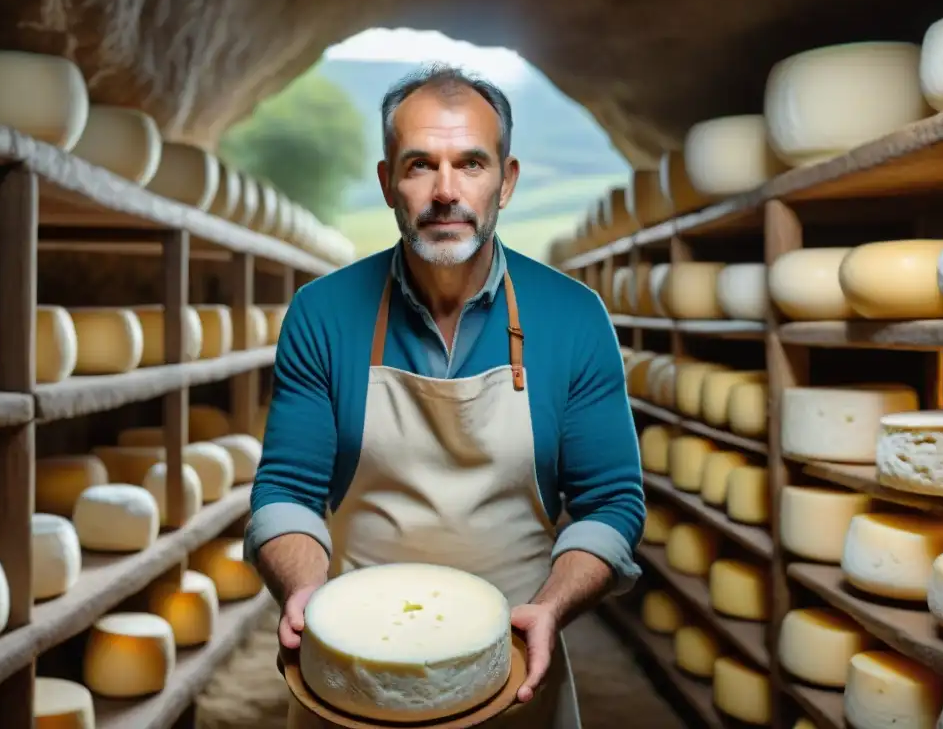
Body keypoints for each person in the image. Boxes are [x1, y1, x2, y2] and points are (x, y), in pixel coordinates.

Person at [245, 63, 645, 729]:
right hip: (354, 668)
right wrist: (303, 589)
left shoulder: (575, 318)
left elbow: (612, 502)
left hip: (516, 663)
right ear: (386, 183)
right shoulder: (321, 313)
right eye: (419, 165)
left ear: (507, 182)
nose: (446, 191)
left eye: (472, 164)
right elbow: (285, 491)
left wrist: (549, 609)